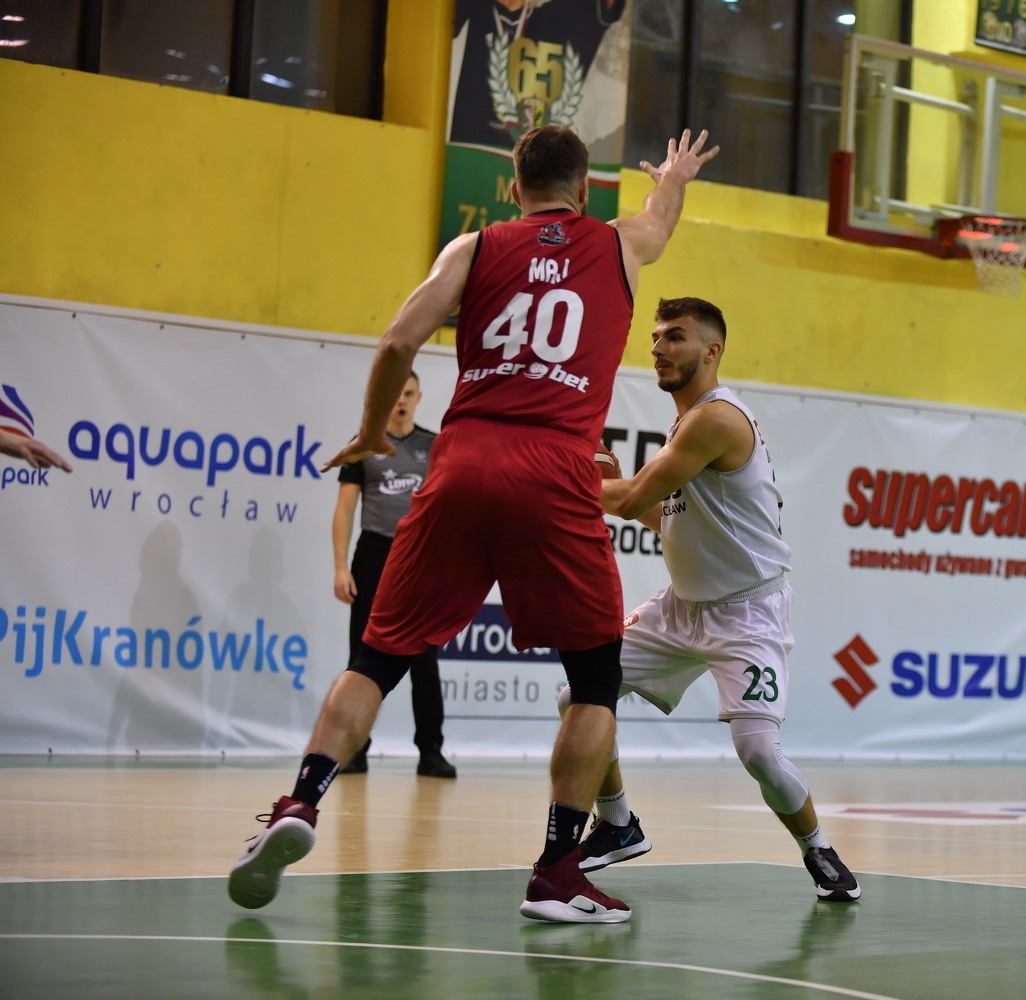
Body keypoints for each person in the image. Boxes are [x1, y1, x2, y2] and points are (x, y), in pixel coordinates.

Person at [227, 125, 719, 922]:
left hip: (460, 461)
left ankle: (301, 801)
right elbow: (660, 220)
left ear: (514, 189)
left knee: (376, 658)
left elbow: (400, 338)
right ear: (584, 189)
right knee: (595, 680)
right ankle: (557, 871)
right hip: (556, 467)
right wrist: (674, 175)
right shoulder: (618, 244)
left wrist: (373, 433)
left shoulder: (473, 247)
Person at [570, 296, 861, 903]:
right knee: (580, 696)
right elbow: (662, 517)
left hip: (748, 610)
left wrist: (577, 482)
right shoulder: (686, 425)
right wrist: (609, 488)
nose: (659, 348)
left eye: (675, 336)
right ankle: (618, 822)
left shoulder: (716, 420)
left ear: (712, 350)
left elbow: (629, 499)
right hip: (683, 606)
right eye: (655, 337)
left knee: (758, 753)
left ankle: (818, 849)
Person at [333, 371, 455, 779]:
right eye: (396, 394)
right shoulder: (364, 444)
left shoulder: (434, 445)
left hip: (419, 557)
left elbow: (447, 508)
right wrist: (340, 567)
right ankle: (354, 750)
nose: (401, 401)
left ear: (418, 397)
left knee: (424, 659)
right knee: (362, 656)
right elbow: (345, 510)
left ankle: (431, 751)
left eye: (408, 394)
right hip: (373, 555)